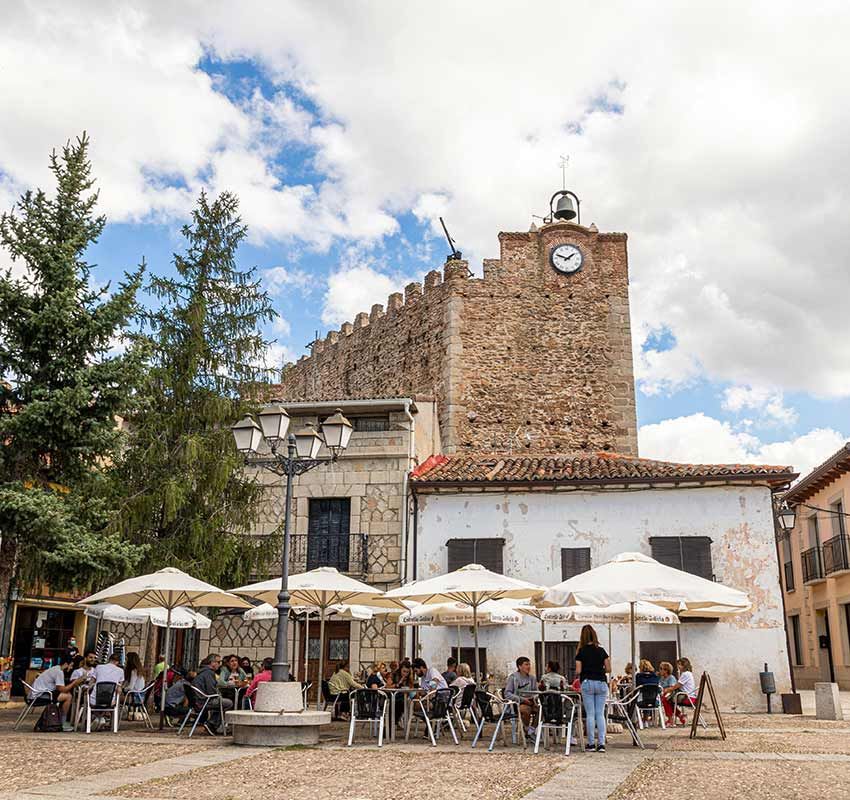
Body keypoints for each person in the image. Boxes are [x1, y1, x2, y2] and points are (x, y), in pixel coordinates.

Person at [575, 624, 610, 752]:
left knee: (590, 714)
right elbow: (609, 668)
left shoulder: (581, 652)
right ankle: (601, 744)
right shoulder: (601, 651)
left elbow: (578, 671)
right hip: (601, 683)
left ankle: (590, 744)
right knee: (600, 714)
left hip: (587, 682)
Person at [28, 651, 83, 732]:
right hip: (41, 695)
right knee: (68, 696)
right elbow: (62, 689)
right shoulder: (59, 672)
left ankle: (58, 720)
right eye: (71, 665)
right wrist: (75, 682)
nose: (71, 668)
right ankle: (62, 722)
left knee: (66, 695)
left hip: (39, 693)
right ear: (66, 664)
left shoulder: (55, 668)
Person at [192, 654, 232, 735]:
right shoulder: (209, 673)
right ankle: (212, 724)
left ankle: (212, 724)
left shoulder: (202, 671)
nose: (219, 664)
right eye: (218, 662)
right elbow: (211, 691)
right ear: (212, 662)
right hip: (204, 701)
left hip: (198, 700)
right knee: (228, 703)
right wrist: (218, 695)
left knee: (221, 702)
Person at [505, 656, 538, 738]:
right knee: (525, 710)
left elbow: (535, 692)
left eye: (529, 664)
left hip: (531, 702)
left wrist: (534, 698)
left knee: (543, 710)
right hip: (517, 704)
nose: (529, 667)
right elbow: (507, 693)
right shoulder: (513, 677)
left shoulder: (532, 678)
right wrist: (522, 699)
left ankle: (532, 729)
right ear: (519, 666)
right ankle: (526, 728)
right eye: (526, 664)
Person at [661, 657, 697, 725]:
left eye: (680, 665)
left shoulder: (685, 674)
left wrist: (666, 690)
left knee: (665, 699)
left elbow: (676, 686)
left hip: (687, 698)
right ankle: (680, 716)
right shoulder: (688, 673)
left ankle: (670, 720)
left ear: (684, 665)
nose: (678, 667)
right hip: (689, 696)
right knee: (667, 699)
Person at [123, 652, 147, 720]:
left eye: (126, 659)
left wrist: (123, 689)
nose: (125, 662)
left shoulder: (134, 671)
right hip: (141, 695)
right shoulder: (139, 670)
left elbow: (130, 687)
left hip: (136, 696)